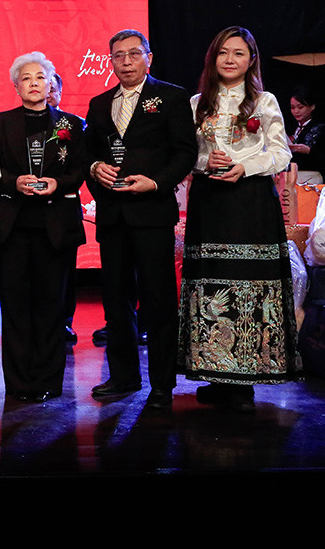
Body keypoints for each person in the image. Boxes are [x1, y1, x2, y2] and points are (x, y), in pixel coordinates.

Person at [179, 26, 300, 411]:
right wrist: (205, 161)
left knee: (249, 285)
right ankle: (218, 374)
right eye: (223, 52)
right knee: (213, 284)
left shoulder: (264, 101)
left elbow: (281, 153)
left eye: (239, 53)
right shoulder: (197, 103)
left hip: (251, 203)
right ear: (212, 58)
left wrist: (243, 167)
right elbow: (187, 154)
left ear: (251, 61)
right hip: (210, 202)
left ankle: (245, 381)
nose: (230, 60)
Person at [86, 29, 196, 408]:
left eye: (134, 54)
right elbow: (88, 154)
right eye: (118, 56)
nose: (126, 62)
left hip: (152, 213)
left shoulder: (172, 97)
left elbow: (185, 153)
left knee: (158, 301)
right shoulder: (99, 104)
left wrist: (156, 182)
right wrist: (95, 167)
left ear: (149, 57)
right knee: (116, 301)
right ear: (111, 61)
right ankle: (123, 377)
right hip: (113, 215)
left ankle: (162, 384)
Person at [0, 53, 86, 402]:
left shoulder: (72, 124)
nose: (33, 83)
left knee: (51, 306)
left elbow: (80, 169)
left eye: (40, 77)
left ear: (51, 83)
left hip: (55, 226)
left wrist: (59, 183)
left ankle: (47, 381)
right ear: (16, 86)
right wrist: (14, 182)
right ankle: (17, 383)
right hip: (13, 226)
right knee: (15, 306)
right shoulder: (0, 123)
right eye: (26, 78)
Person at [46, 72, 83, 343]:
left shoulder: (74, 124)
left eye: (52, 88)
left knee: (66, 273)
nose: (46, 93)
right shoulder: (13, 123)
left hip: (64, 208)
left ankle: (65, 322)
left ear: (60, 93)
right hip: (29, 209)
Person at [288, 89, 324, 184]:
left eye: (300, 107)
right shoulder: (291, 127)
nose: (296, 111)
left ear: (312, 107)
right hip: (291, 174)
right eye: (292, 107)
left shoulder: (320, 128)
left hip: (311, 175)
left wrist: (309, 151)